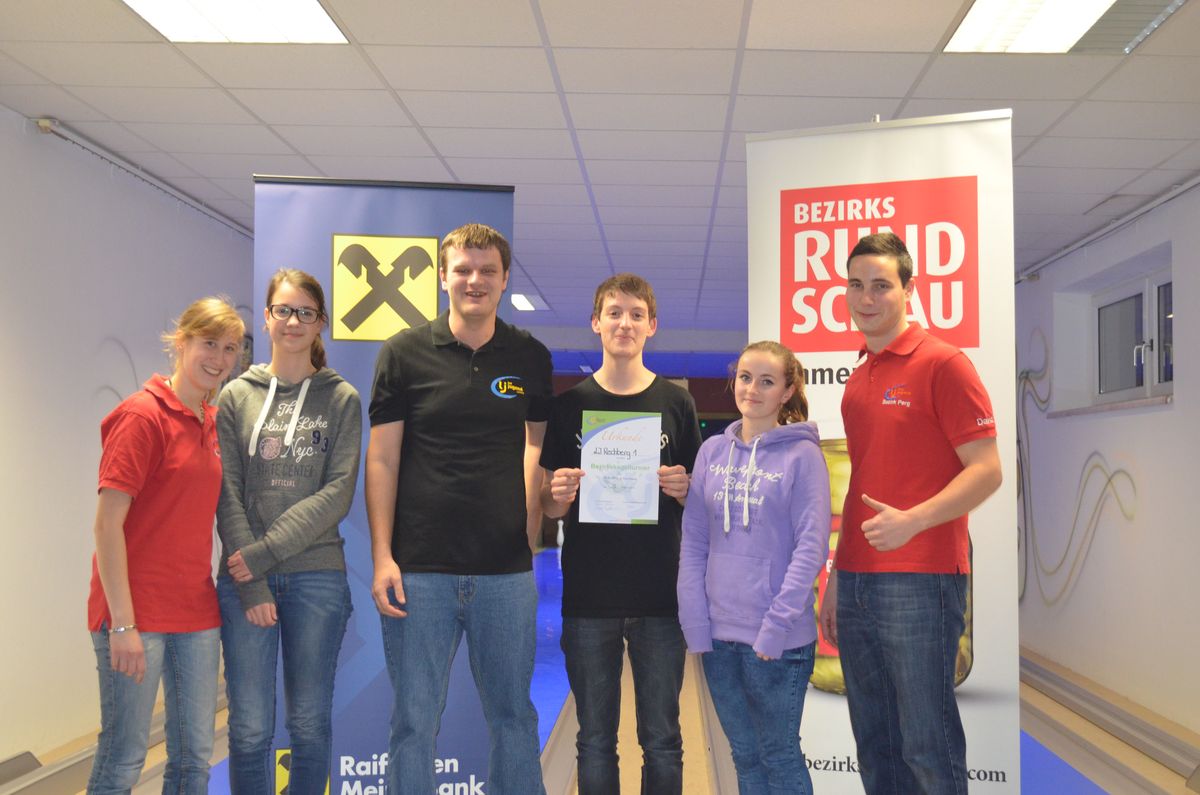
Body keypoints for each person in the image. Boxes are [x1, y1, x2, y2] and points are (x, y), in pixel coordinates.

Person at [366, 223, 552, 795]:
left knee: (514, 718)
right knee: (414, 722)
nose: (475, 280)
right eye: (464, 270)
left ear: (504, 279)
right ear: (443, 277)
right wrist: (382, 556)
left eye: (488, 270)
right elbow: (383, 460)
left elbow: (535, 449)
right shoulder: (403, 354)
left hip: (505, 572)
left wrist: (529, 535)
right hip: (420, 570)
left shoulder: (529, 356)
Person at [818, 232, 1002, 794]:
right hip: (856, 579)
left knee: (927, 747)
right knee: (876, 746)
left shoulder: (944, 363)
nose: (866, 298)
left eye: (881, 285)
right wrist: (837, 578)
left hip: (922, 580)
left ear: (908, 289)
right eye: (855, 285)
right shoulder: (858, 378)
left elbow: (987, 470)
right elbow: (861, 485)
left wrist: (913, 520)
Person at [541, 274, 702, 794]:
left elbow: (698, 501)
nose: (624, 323)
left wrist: (685, 489)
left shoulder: (676, 404)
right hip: (589, 597)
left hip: (660, 597)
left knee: (663, 741)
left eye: (636, 314)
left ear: (652, 325)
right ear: (596, 323)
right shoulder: (569, 406)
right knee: (594, 741)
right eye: (614, 313)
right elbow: (548, 504)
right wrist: (557, 494)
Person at [86, 297, 245, 794]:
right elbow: (106, 527)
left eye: (230, 349)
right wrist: (123, 624)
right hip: (135, 614)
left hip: (195, 613)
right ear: (181, 342)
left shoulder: (213, 422)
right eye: (209, 343)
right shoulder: (143, 415)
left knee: (194, 758)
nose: (219, 358)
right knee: (125, 757)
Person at [216, 269, 361, 794]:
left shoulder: (341, 399)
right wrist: (252, 579)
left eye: (305, 312)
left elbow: (337, 493)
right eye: (283, 310)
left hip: (316, 577)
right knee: (250, 728)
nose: (293, 321)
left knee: (308, 724)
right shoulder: (235, 396)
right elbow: (226, 491)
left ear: (321, 323)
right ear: (267, 316)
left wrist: (265, 553)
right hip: (244, 582)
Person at [678, 340, 830, 794]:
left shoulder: (803, 456)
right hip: (718, 638)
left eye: (767, 381)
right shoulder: (711, 452)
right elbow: (694, 542)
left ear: (787, 391)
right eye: (745, 378)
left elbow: (810, 547)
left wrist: (776, 626)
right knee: (744, 757)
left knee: (779, 756)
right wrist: (695, 623)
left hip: (776, 640)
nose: (752, 389)